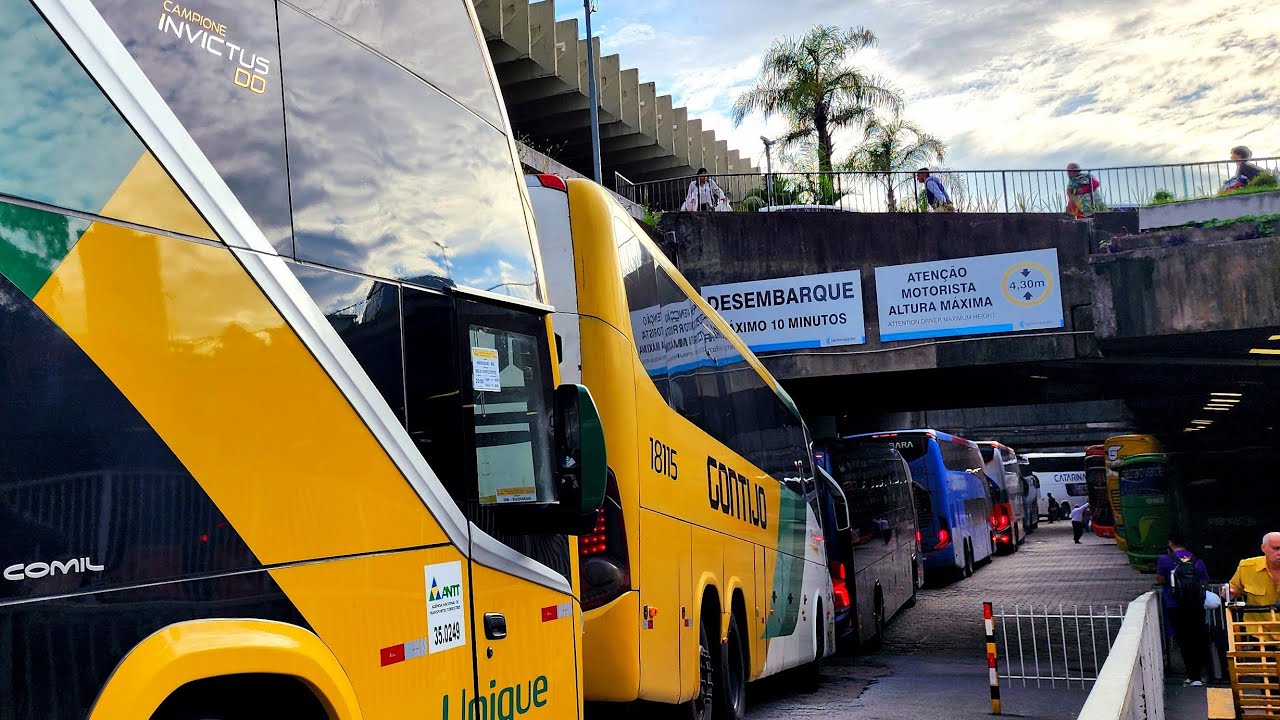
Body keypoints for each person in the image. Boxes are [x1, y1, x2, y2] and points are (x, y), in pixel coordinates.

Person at [1156, 532, 1210, 686]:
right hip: (1196, 605)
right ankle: (1204, 674)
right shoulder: (1197, 560)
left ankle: (1192, 676)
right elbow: (1205, 581)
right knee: (1199, 637)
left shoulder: (1165, 560)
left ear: (1170, 542)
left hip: (1175, 605)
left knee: (1184, 639)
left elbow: (1160, 579)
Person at [1228, 531, 1280, 607]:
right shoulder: (1246, 567)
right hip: (1256, 618)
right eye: (1276, 548)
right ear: (1263, 548)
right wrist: (1229, 592)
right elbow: (1233, 590)